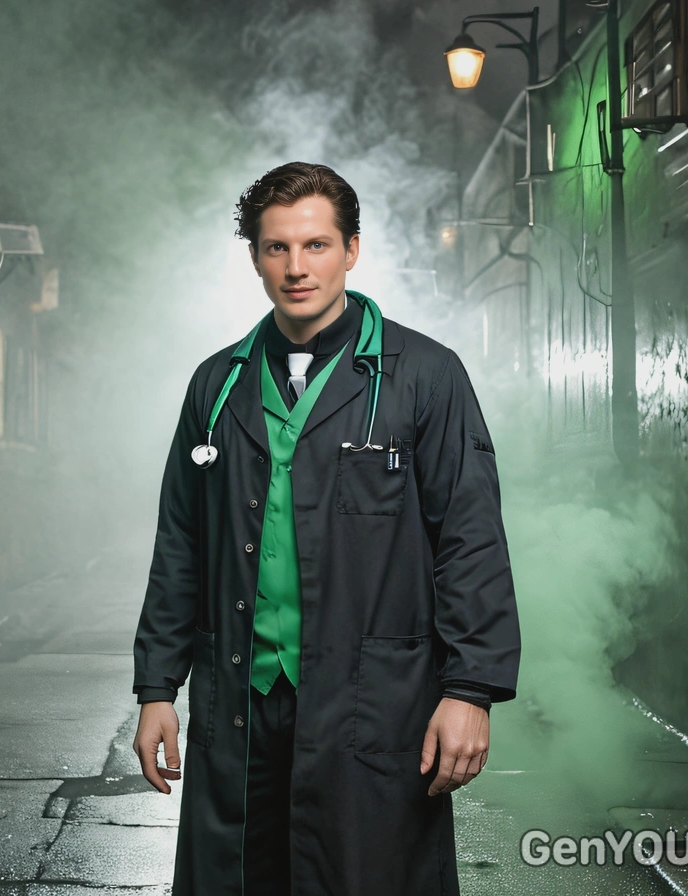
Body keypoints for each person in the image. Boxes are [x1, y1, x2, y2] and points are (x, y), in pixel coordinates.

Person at [131, 161, 521, 896]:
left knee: (368, 877)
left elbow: (469, 538)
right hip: (246, 698)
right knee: (241, 879)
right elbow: (180, 543)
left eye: (315, 245)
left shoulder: (425, 376)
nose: (296, 267)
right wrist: (157, 687)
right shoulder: (217, 385)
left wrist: (470, 690)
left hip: (371, 700)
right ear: (254, 257)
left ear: (352, 250)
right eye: (277, 248)